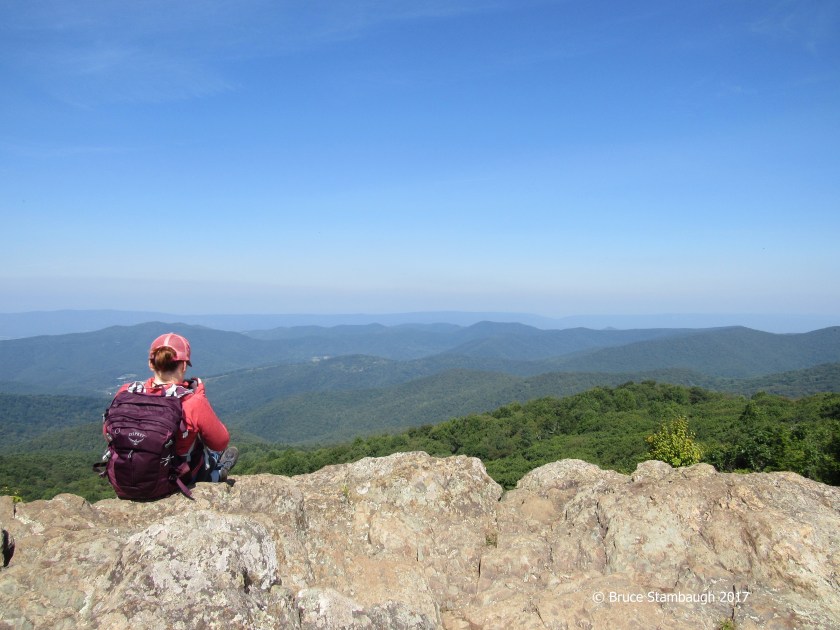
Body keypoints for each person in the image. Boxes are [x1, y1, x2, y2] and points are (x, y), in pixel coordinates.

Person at [107, 332, 238, 487]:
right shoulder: (191, 401)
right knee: (213, 452)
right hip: (176, 480)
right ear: (183, 366)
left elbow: (109, 433)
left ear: (151, 363)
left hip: (126, 479)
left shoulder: (125, 392)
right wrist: (200, 399)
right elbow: (220, 442)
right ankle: (217, 472)